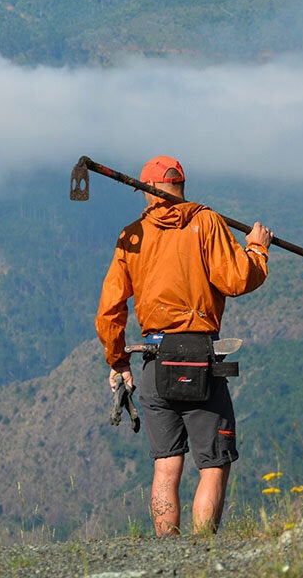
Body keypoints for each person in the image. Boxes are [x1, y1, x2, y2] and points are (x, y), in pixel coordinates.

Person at [95, 155, 272, 536]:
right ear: (181, 187)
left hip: (155, 362)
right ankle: (202, 551)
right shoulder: (206, 222)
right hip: (201, 361)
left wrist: (118, 360)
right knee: (212, 463)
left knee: (166, 465)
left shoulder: (132, 236)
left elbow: (109, 310)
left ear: (148, 191)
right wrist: (256, 250)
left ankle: (167, 551)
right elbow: (238, 279)